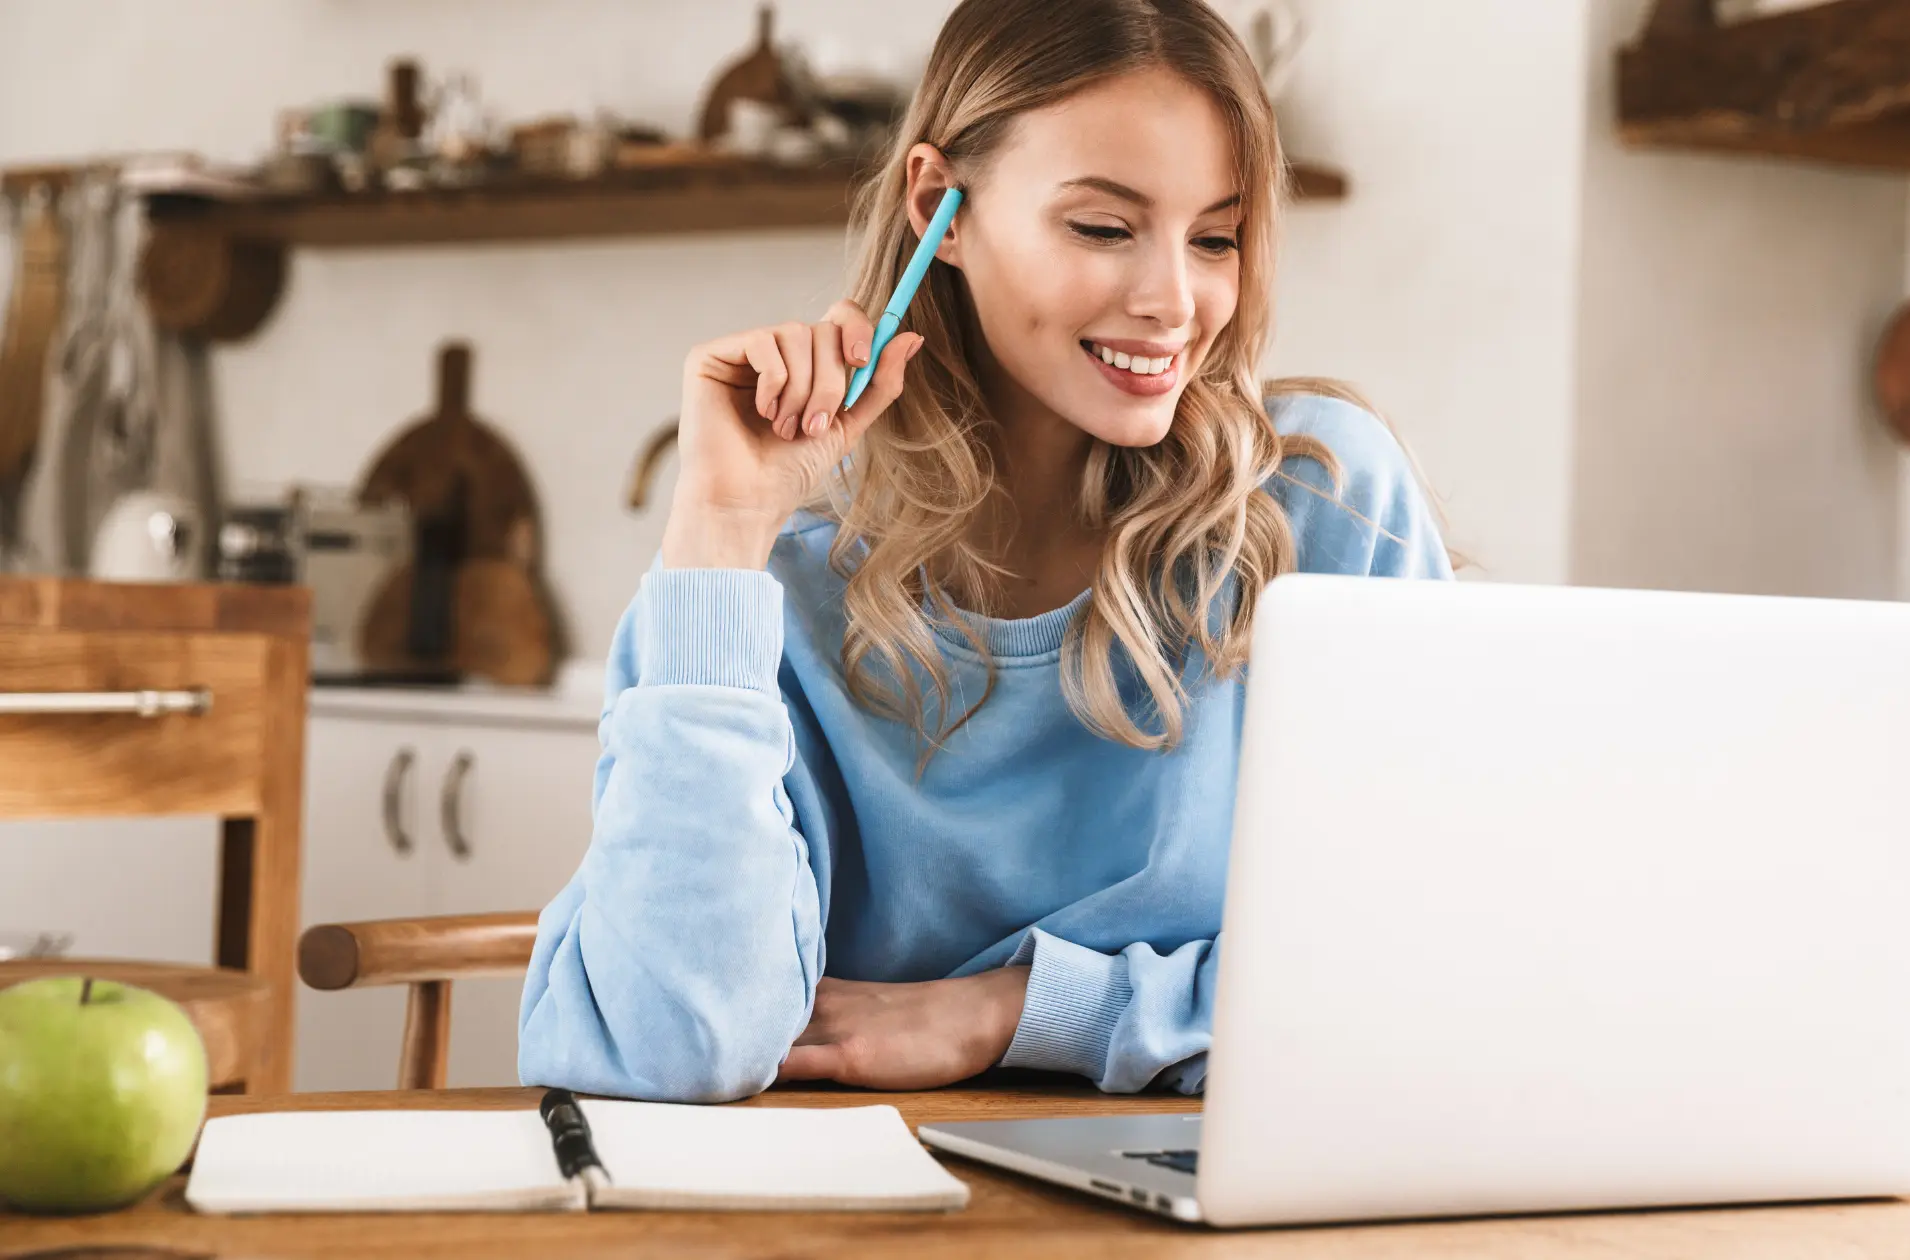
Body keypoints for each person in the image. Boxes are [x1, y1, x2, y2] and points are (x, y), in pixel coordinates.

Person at [517, 0, 1451, 1103]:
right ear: (938, 209)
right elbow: (665, 1048)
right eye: (1104, 228)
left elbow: (1427, 972)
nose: (1171, 302)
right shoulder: (770, 576)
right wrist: (718, 535)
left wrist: (1014, 1010)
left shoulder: (1321, 500)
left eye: (1215, 238)